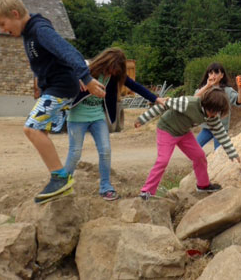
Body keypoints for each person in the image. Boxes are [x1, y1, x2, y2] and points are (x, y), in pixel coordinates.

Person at [0, 0, 106, 203]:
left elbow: (67, 50)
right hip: (56, 88)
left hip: (61, 88)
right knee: (39, 131)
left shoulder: (40, 30)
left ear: (15, 14)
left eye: (2, 24)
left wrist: (85, 77)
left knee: (31, 128)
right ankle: (60, 183)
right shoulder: (29, 33)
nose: (3, 30)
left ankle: (60, 178)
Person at [64, 48, 167, 201]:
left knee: (105, 150)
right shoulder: (86, 71)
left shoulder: (115, 75)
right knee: (75, 153)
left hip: (97, 116)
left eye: (116, 71)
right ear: (105, 63)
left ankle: (106, 188)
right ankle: (61, 186)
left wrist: (156, 99)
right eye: (111, 69)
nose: (112, 73)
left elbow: (135, 86)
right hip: (77, 117)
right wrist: (76, 80)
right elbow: (64, 74)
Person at [134, 88, 240, 199]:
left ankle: (203, 185)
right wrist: (142, 119)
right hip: (167, 129)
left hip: (183, 133)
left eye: (216, 112)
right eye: (211, 111)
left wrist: (232, 153)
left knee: (199, 156)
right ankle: (147, 192)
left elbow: (221, 133)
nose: (212, 115)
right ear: (206, 103)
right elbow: (163, 104)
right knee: (163, 160)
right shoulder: (188, 103)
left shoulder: (213, 116)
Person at [194, 62, 241, 150]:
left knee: (218, 152)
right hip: (207, 127)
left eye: (216, 73)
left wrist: (240, 88)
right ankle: (202, 162)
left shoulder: (227, 90)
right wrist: (207, 86)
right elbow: (194, 99)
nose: (213, 75)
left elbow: (239, 101)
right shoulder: (204, 89)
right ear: (207, 75)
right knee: (194, 148)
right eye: (211, 73)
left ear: (222, 75)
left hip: (221, 129)